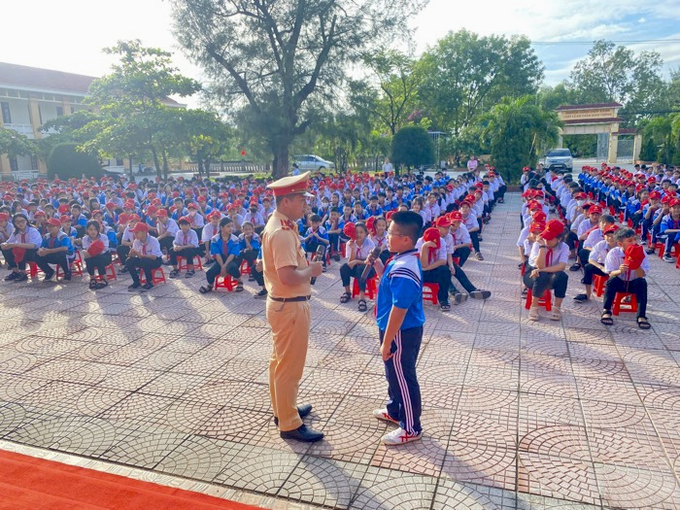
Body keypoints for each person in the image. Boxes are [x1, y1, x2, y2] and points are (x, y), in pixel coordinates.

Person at [261, 171, 324, 443]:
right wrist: (311, 271)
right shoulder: (282, 233)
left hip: (282, 304)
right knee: (289, 367)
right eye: (301, 199)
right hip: (290, 306)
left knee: (279, 363)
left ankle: (283, 409)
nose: (305, 205)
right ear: (286, 202)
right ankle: (289, 423)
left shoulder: (280, 225)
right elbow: (288, 276)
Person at [370, 211, 425, 445]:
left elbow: (399, 309)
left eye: (391, 233)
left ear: (406, 239)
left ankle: (411, 427)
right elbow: (392, 289)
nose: (386, 237)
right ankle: (394, 410)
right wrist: (380, 269)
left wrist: (386, 341)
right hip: (394, 329)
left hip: (401, 331)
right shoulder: (401, 257)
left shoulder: (406, 267)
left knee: (403, 376)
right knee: (393, 373)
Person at [601, 228, 651, 329]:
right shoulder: (614, 253)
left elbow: (641, 274)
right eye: (629, 241)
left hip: (633, 282)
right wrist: (619, 271)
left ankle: (641, 315)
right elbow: (610, 272)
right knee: (611, 281)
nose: (634, 243)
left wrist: (636, 263)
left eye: (634, 239)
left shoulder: (642, 253)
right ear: (620, 244)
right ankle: (606, 310)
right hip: (620, 282)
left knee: (642, 283)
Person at [524, 219, 569, 322]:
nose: (546, 240)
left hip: (550, 275)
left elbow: (561, 266)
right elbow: (539, 265)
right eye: (545, 237)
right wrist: (542, 247)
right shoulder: (538, 244)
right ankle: (534, 307)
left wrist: (542, 270)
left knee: (563, 276)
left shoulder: (564, 247)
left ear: (559, 238)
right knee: (542, 276)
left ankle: (557, 308)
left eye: (550, 238)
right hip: (532, 275)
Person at [574, 224, 619, 303]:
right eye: (608, 235)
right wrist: (601, 268)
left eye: (613, 236)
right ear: (604, 236)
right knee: (588, 267)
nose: (610, 238)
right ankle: (587, 294)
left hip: (617, 269)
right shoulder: (601, 244)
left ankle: (619, 296)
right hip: (603, 266)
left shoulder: (621, 246)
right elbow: (591, 259)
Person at [199, 216, 243, 294]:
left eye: (231, 226)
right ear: (222, 228)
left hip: (233, 258)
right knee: (209, 272)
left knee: (231, 267)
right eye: (228, 226)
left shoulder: (235, 239)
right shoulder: (215, 239)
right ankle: (210, 285)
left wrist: (224, 267)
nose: (231, 228)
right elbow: (217, 254)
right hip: (221, 259)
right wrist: (222, 266)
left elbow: (233, 254)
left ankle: (239, 281)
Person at [339, 222, 376, 312]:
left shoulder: (370, 243)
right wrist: (352, 249)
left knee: (360, 269)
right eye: (356, 232)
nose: (358, 234)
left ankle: (362, 298)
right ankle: (347, 292)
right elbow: (350, 262)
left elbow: (371, 262)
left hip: (369, 268)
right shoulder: (350, 243)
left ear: (365, 233)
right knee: (343, 268)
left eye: (361, 232)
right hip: (356, 267)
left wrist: (357, 261)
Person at [1, 214, 42, 282]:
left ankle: (23, 273)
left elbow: (33, 245)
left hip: (35, 252)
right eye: (17, 222)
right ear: (14, 223)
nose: (20, 224)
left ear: (26, 221)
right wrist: (4, 245)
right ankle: (15, 271)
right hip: (22, 250)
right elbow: (9, 242)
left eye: (22, 221)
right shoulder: (16, 232)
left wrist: (16, 245)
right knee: (6, 249)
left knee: (21, 249)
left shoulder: (32, 231)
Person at [125, 222, 163, 292]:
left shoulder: (153, 240)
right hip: (142, 259)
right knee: (129, 261)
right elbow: (135, 255)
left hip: (155, 261)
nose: (135, 234)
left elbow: (154, 257)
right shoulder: (136, 241)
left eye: (137, 232)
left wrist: (141, 255)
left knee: (145, 261)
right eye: (134, 233)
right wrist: (131, 254)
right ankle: (136, 281)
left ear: (144, 232)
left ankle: (149, 281)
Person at [34, 217, 74, 281]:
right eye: (48, 226)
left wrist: (49, 251)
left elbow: (65, 248)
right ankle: (49, 272)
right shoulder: (46, 236)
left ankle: (67, 273)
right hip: (53, 254)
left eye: (52, 226)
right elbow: (42, 247)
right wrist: (40, 251)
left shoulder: (63, 236)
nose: (49, 228)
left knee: (62, 254)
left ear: (58, 227)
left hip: (68, 255)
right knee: (36, 255)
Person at [81, 220, 112, 290]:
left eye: (95, 229)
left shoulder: (103, 237)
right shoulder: (85, 238)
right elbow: (86, 249)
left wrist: (93, 252)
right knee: (87, 258)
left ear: (98, 230)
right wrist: (85, 252)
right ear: (87, 230)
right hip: (91, 256)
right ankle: (92, 278)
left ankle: (104, 278)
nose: (93, 231)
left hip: (104, 256)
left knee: (99, 257)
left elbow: (105, 249)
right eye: (90, 229)